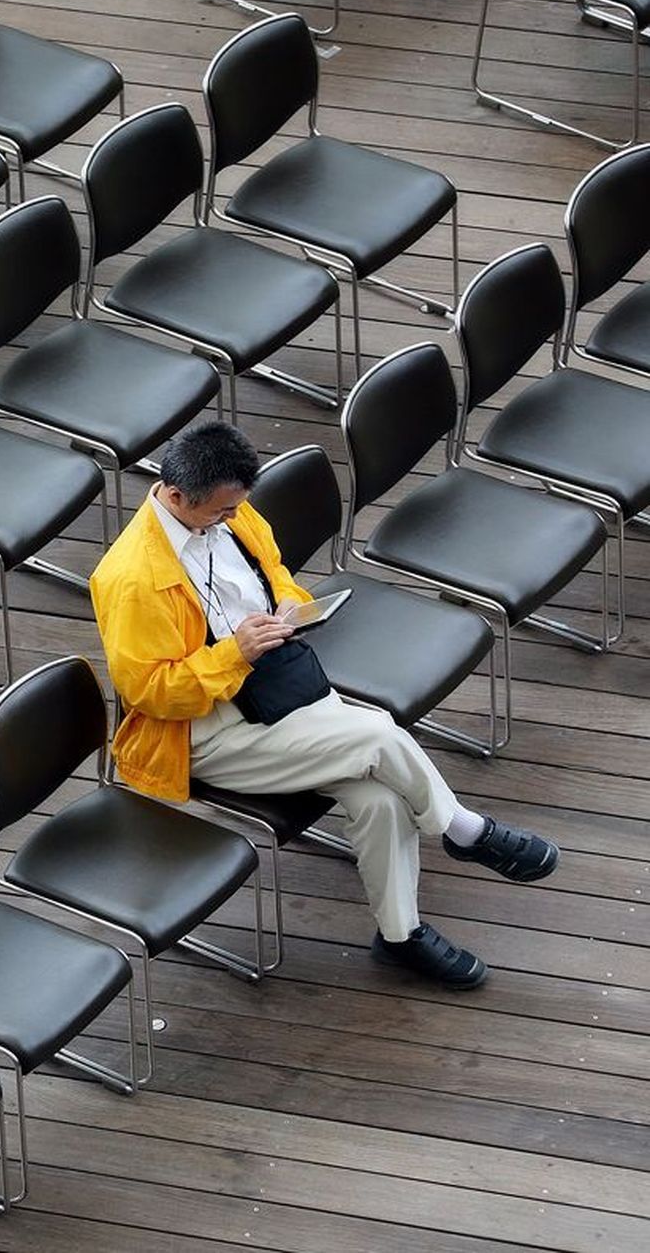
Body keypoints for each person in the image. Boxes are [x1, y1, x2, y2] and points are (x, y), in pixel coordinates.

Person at [88, 422, 559, 989]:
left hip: (275, 685)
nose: (235, 519)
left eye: (238, 507)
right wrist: (234, 654)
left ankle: (400, 935)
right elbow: (152, 695)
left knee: (381, 798)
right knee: (380, 735)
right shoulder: (132, 579)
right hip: (203, 732)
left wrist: (289, 606)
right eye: (222, 512)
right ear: (178, 496)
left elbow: (274, 572)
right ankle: (463, 831)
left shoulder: (230, 512)